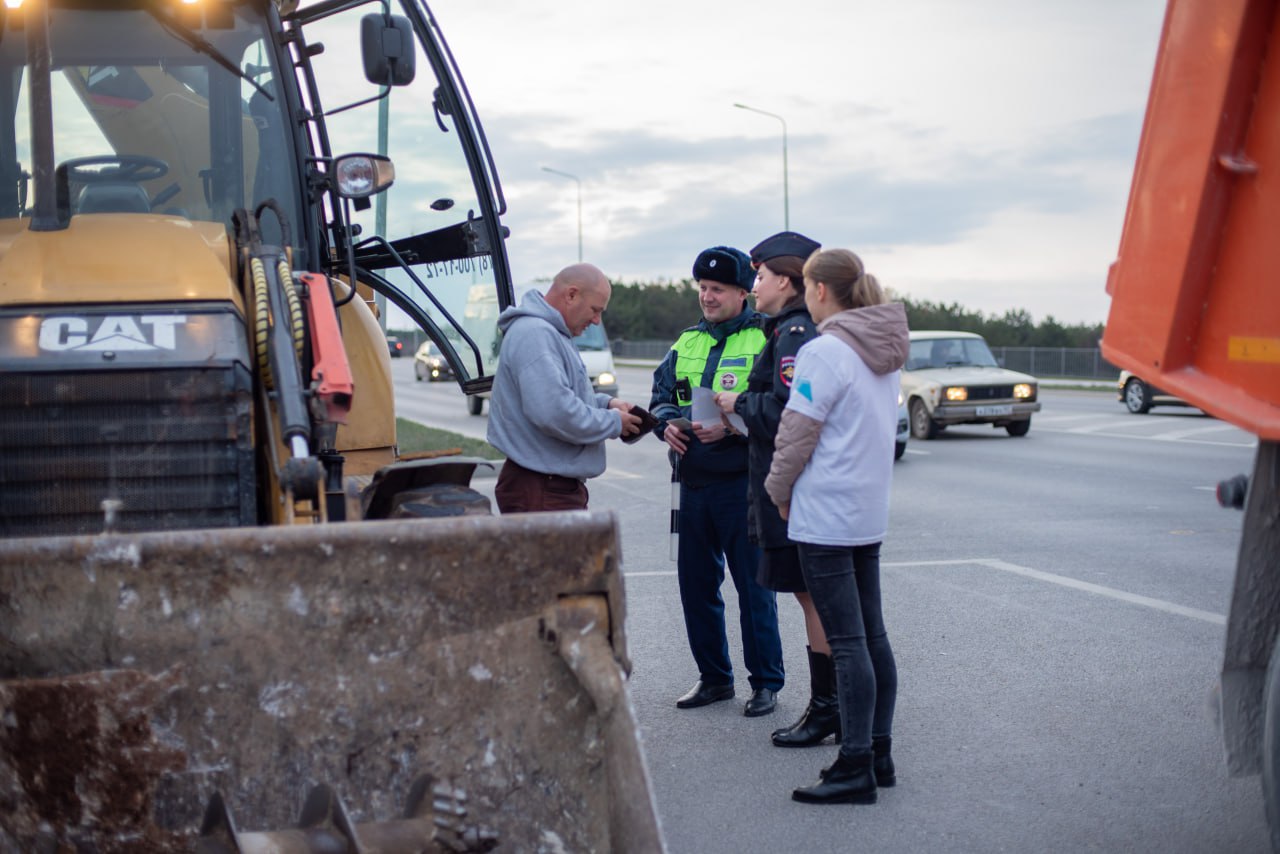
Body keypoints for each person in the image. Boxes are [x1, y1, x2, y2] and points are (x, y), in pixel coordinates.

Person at [764, 248, 909, 805]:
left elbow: (796, 432)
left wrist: (778, 492)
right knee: (872, 636)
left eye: (805, 285)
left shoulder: (825, 351)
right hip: (867, 511)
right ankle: (878, 752)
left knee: (847, 643)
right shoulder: (882, 350)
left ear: (821, 290)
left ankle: (853, 767)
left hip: (825, 512)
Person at [712, 230, 839, 748]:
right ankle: (831, 707)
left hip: (794, 493)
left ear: (786, 281)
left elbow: (789, 413)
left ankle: (827, 709)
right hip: (794, 490)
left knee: (815, 602)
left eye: (760, 275)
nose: (755, 283)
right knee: (814, 600)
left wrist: (738, 403)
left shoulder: (792, 335)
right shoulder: (789, 330)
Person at [649, 245, 785, 717]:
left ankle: (766, 683)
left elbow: (778, 408)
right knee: (696, 585)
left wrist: (730, 426)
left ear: (742, 292)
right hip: (690, 482)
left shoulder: (767, 337)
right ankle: (714, 678)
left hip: (743, 483)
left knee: (754, 588)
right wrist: (665, 422)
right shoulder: (686, 342)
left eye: (717, 289)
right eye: (702, 289)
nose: (707, 297)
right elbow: (661, 396)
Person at [487, 263, 642, 513]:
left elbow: (563, 396)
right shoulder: (535, 334)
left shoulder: (552, 333)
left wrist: (606, 404)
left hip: (546, 486)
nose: (596, 320)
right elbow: (555, 412)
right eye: (595, 310)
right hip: (542, 490)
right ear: (571, 295)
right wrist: (613, 422)